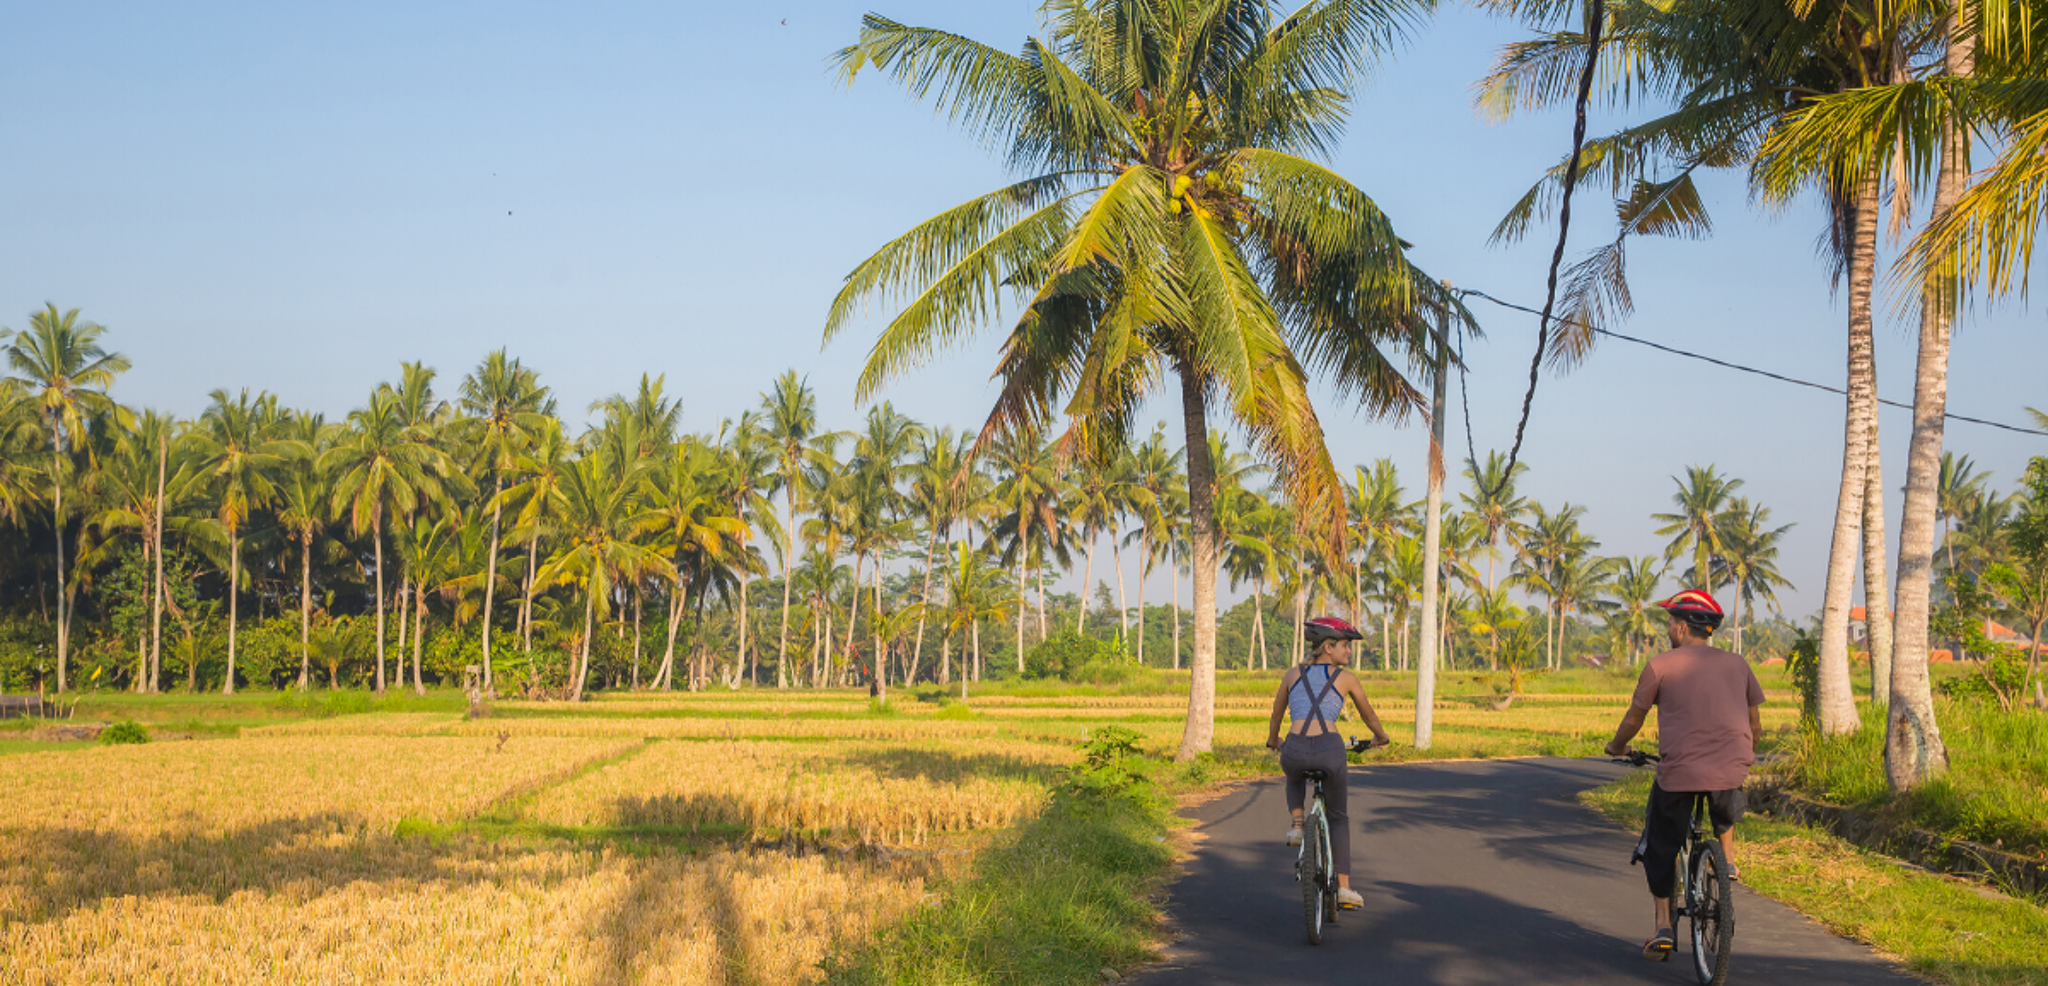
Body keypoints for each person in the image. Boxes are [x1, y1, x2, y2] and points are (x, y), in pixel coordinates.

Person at [1604, 589, 1764, 962]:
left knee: (1659, 842)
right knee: (1725, 793)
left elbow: (1635, 717)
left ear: (1680, 627)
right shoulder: (1739, 664)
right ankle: (1728, 860)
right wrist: (1746, 752)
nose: (1668, 630)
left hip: (1680, 771)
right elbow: (1755, 724)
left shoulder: (1661, 665)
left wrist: (1617, 746)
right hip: (1731, 766)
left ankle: (1663, 926)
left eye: (1670, 623)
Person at [1265, 615, 1392, 911]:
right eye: (1345, 646)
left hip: (1295, 747)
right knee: (1338, 818)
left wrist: (1274, 741)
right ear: (1327, 647)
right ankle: (1344, 887)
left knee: (1293, 769)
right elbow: (1369, 715)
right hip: (1330, 750)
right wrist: (1381, 737)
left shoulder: (1292, 674)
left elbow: (1276, 715)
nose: (1349, 651)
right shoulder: (1347, 679)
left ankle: (1298, 823)